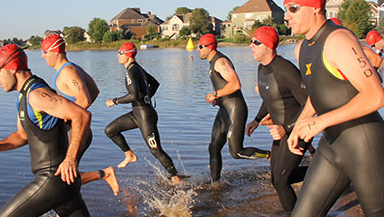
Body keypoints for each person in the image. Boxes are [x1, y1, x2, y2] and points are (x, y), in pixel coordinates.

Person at [0, 44, 128, 217]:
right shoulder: (24, 97)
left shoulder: (37, 94)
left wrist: (71, 158)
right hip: (60, 182)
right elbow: (22, 135)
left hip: (51, 179)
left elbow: (81, 115)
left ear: (12, 67)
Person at [283, 0, 384, 217]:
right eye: (285, 10)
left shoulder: (338, 39)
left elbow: (375, 96)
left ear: (315, 7)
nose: (286, 16)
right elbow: (318, 94)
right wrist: (302, 124)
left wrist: (319, 123)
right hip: (333, 145)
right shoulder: (302, 48)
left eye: (293, 9)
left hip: (364, 144)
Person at [245, 26, 310, 217]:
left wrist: (287, 128)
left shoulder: (285, 69)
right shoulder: (261, 68)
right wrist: (256, 119)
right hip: (281, 133)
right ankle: (324, 173)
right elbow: (268, 98)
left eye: (256, 43)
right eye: (252, 42)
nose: (251, 46)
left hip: (296, 131)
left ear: (269, 46)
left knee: (281, 180)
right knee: (278, 177)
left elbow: (310, 103)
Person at [41, 33, 119, 196]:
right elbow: (95, 91)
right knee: (65, 173)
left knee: (61, 177)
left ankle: (104, 174)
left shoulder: (68, 71)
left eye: (45, 52)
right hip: (77, 129)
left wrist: (64, 115)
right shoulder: (73, 68)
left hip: (76, 130)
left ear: (55, 52)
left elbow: (84, 100)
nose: (43, 56)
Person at [196, 33, 270, 182]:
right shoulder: (213, 62)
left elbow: (235, 84)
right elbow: (226, 86)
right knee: (214, 147)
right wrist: (219, 99)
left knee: (237, 152)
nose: (197, 50)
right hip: (224, 109)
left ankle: (270, 155)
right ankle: (215, 184)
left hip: (235, 109)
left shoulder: (220, 61)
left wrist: (215, 95)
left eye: (200, 47)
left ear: (210, 48)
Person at [105, 42, 181, 184]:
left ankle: (175, 177)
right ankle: (129, 155)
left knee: (156, 151)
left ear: (127, 55)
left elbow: (133, 95)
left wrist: (115, 101)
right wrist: (146, 99)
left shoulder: (131, 71)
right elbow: (155, 83)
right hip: (137, 114)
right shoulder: (137, 68)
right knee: (110, 130)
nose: (117, 55)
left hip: (145, 117)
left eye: (120, 53)